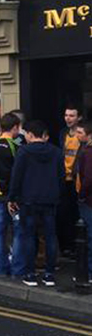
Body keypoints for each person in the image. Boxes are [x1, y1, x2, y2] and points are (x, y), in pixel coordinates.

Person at [9, 121, 65, 287]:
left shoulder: (24, 151)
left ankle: (31, 274)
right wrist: (58, 195)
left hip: (29, 200)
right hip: (50, 199)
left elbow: (16, 176)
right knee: (50, 236)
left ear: (31, 135)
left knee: (29, 236)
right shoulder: (56, 152)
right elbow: (61, 177)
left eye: (26, 133)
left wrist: (12, 197)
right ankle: (49, 274)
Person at [0, 113, 24, 277]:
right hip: (11, 195)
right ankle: (17, 269)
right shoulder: (14, 147)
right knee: (17, 231)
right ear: (15, 127)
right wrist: (13, 196)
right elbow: (14, 175)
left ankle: (0, 268)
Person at [58, 105, 83, 258]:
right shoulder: (63, 133)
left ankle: (76, 246)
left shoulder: (82, 135)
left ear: (79, 118)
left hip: (76, 179)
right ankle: (66, 246)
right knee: (63, 213)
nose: (68, 118)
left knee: (76, 213)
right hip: (63, 178)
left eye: (72, 116)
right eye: (66, 115)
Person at [73, 121, 92, 284]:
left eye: (80, 132)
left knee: (88, 235)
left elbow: (88, 179)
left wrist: (82, 195)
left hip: (88, 200)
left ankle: (89, 272)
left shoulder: (87, 152)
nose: (76, 136)